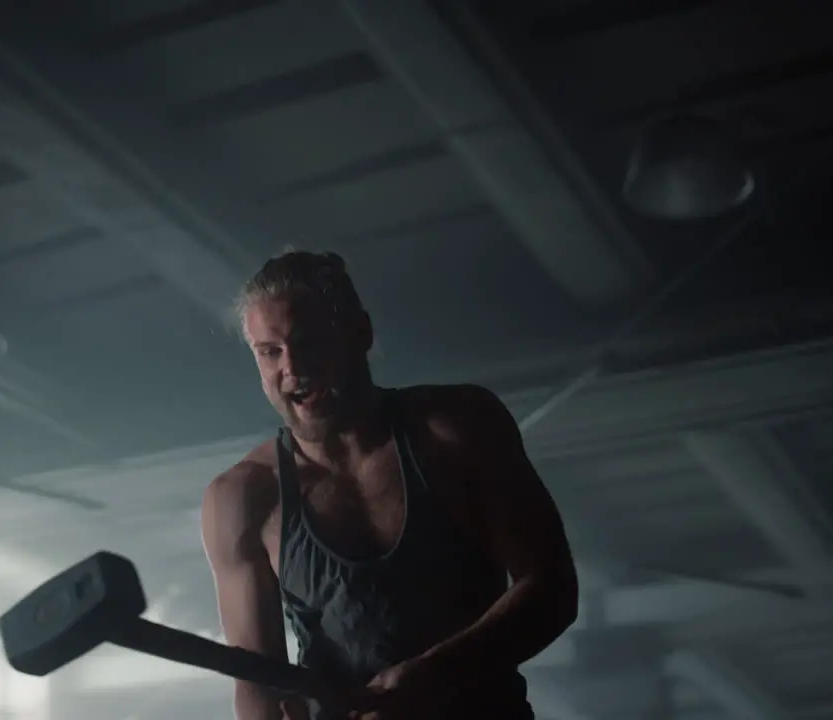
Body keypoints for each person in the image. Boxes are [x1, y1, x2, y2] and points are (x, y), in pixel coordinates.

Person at [201, 250, 579, 720]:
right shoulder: (243, 497)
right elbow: (258, 690)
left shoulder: (457, 429)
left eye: (309, 342)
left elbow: (552, 591)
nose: (292, 369)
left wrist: (435, 675)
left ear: (360, 334)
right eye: (270, 351)